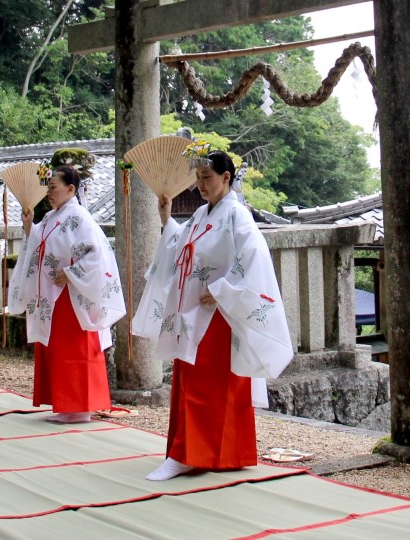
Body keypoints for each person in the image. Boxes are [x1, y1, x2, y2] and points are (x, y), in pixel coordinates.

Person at [133, 147, 293, 481]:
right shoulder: (201, 215)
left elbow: (253, 259)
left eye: (207, 178)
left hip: (218, 312)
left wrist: (222, 291)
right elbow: (181, 244)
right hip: (194, 308)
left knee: (209, 383)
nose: (201, 185)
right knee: (192, 378)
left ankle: (194, 454)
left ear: (226, 178)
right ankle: (193, 451)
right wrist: (166, 218)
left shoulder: (238, 215)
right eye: (198, 179)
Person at [7, 165, 126, 423]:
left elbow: (97, 254)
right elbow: (40, 241)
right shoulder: (52, 217)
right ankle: (67, 404)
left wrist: (72, 273)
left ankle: (79, 407)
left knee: (73, 348)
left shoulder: (80, 217)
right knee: (59, 348)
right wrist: (29, 226)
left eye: (53, 187)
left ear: (70, 189)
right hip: (54, 293)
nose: (49, 193)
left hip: (70, 293)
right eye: (48, 188)